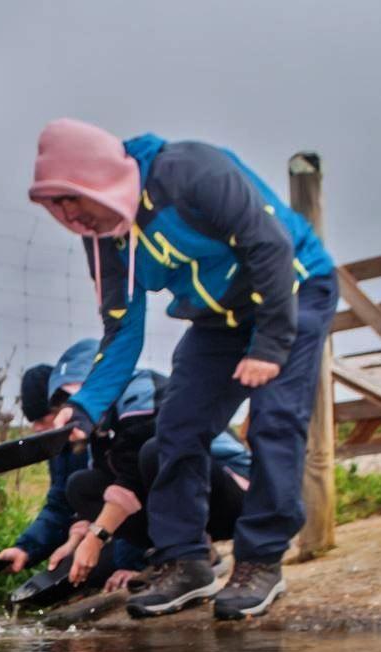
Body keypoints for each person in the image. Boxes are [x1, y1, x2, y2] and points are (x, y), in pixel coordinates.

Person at [27, 118, 336, 620]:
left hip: (293, 291)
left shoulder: (191, 172)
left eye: (69, 201)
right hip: (218, 317)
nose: (68, 217)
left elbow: (271, 246)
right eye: (54, 208)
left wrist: (271, 344)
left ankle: (260, 562)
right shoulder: (104, 235)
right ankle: (186, 561)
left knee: (275, 420)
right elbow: (122, 329)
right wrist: (84, 409)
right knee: (176, 425)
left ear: (96, 178)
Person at [55, 371, 252, 593]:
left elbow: (131, 483)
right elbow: (115, 490)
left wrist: (96, 538)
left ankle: (195, 554)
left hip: (231, 490)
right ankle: (173, 558)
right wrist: (73, 545)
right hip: (186, 499)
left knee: (155, 453)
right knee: (82, 485)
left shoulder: (141, 394)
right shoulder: (100, 429)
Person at [0, 340, 146, 589]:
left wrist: (124, 560)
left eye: (44, 419)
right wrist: (26, 548)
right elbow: (60, 504)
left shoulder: (101, 432)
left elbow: (130, 489)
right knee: (57, 578)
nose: (38, 429)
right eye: (33, 422)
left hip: (125, 530)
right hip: (97, 530)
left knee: (82, 573)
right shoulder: (61, 448)